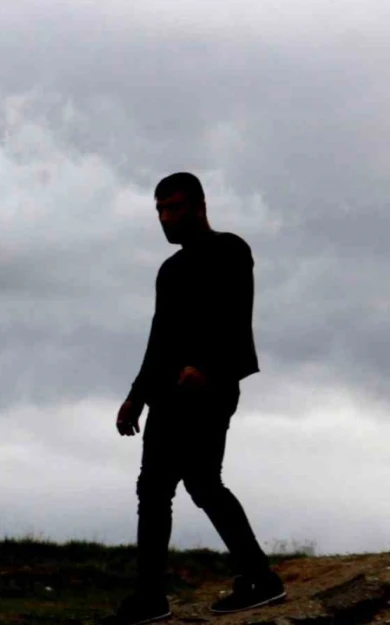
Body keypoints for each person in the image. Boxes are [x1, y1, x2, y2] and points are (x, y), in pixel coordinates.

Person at [100, 172, 286, 625]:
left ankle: (257, 580)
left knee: (200, 483)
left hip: (210, 391)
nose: (165, 218)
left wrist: (209, 369)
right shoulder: (171, 270)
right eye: (160, 210)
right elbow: (159, 339)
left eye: (175, 208)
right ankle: (154, 597)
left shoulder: (230, 250)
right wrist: (135, 397)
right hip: (168, 395)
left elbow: (236, 319)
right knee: (157, 489)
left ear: (199, 206)